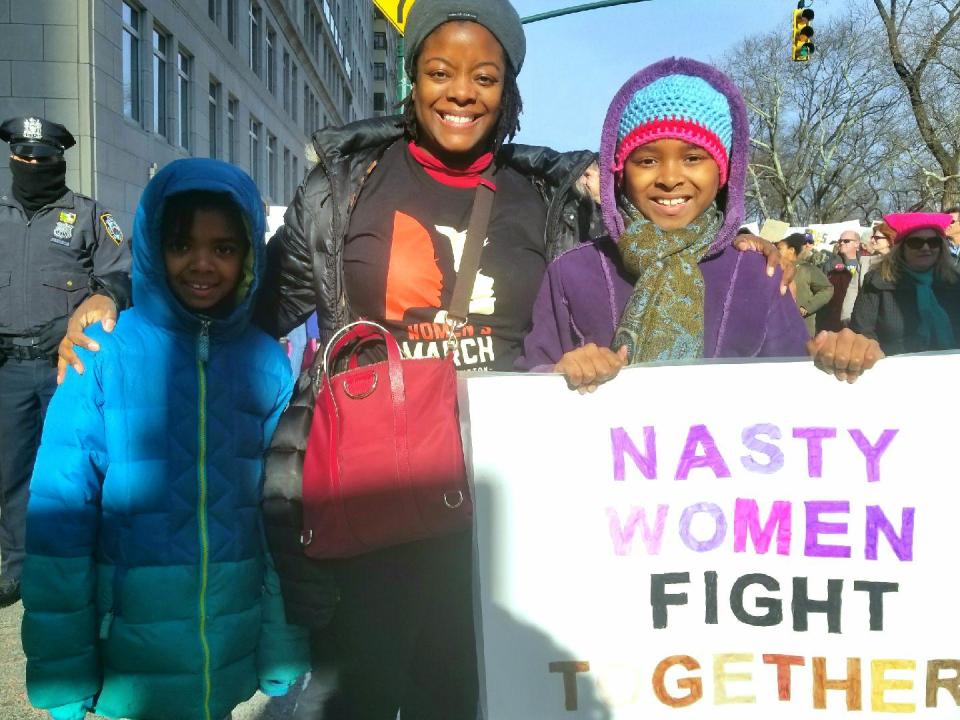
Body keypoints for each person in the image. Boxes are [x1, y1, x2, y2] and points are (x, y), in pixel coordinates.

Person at [54, 4, 790, 717]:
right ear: (413, 78)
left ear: (511, 89)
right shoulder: (346, 189)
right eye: (441, 71)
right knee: (360, 695)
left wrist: (751, 245)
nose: (462, 91)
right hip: (368, 494)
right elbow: (244, 296)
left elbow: (647, 263)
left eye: (485, 76)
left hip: (500, 504)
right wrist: (119, 292)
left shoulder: (554, 198)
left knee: (469, 695)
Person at [21, 158, 308, 720]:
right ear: (154, 247)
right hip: (128, 655)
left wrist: (282, 643)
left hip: (225, 650)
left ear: (249, 255)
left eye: (224, 248)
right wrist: (62, 672)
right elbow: (59, 521)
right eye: (182, 245)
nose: (202, 264)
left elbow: (280, 522)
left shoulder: (268, 364)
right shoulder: (101, 355)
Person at [516, 57, 882, 388]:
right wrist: (557, 375)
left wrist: (841, 359)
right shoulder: (572, 273)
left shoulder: (759, 275)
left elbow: (801, 397)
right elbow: (524, 384)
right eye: (646, 161)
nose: (670, 177)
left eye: (693, 158)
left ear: (723, 171)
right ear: (620, 172)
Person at [0, 116, 130, 608]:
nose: (34, 165)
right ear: (13, 158)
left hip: (69, 370)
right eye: (24, 157)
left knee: (76, 469)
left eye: (44, 158)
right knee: (11, 474)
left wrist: (106, 297)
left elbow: (123, 274)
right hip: (7, 369)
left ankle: (83, 564)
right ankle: (18, 567)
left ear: (61, 159)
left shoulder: (92, 217)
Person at [850, 212, 960, 355]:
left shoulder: (953, 282)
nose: (926, 248)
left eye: (933, 242)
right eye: (916, 243)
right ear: (901, 248)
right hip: (897, 369)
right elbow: (862, 331)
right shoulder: (877, 281)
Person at [778, 232, 834, 337]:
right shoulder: (775, 267)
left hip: (802, 329)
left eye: (779, 248)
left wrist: (807, 307)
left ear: (791, 250)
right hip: (779, 328)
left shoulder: (807, 269)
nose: (777, 251)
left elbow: (827, 289)